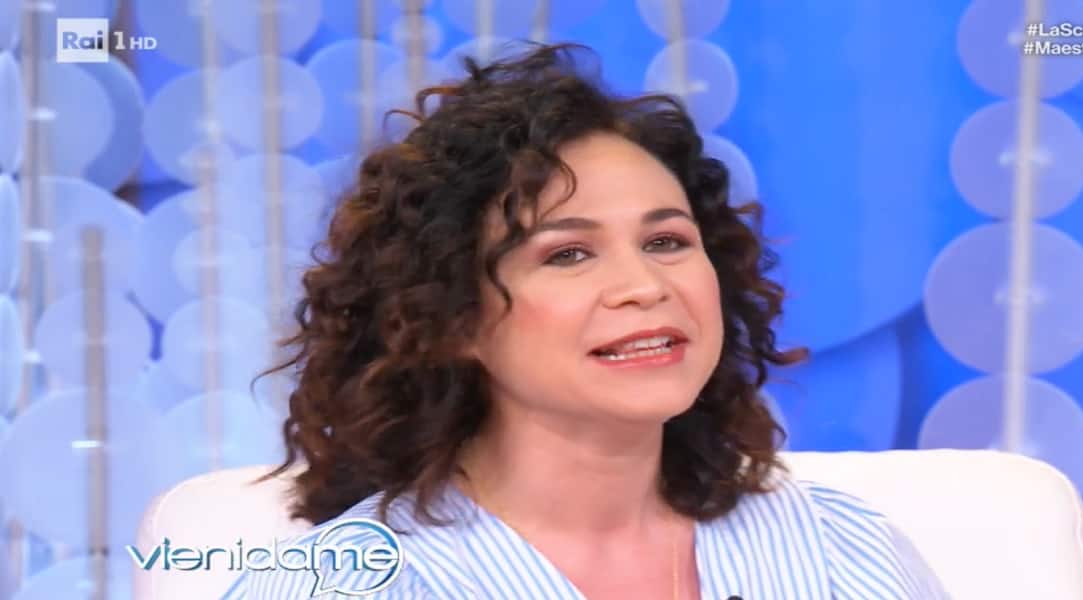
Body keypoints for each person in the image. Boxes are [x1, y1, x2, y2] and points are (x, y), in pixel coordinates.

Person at [222, 42, 949, 599]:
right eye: (568, 254)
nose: (644, 286)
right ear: (449, 317)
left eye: (666, 242)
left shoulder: (841, 551)